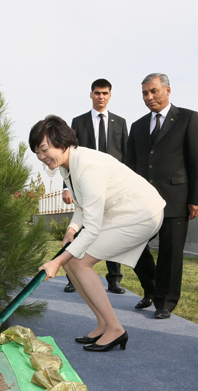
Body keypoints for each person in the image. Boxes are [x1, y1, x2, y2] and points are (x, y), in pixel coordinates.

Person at [30, 115, 165, 352]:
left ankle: (115, 329)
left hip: (140, 214)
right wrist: (71, 231)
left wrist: (56, 261)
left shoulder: (87, 166)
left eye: (44, 149)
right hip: (121, 213)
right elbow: (82, 206)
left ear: (61, 142)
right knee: (72, 263)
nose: (41, 157)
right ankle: (103, 323)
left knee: (79, 262)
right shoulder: (68, 166)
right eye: (37, 152)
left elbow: (92, 227)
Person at [125, 73, 198, 319]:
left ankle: (165, 302)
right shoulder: (137, 126)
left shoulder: (189, 118)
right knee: (132, 244)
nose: (149, 97)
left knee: (171, 251)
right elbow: (130, 166)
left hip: (176, 197)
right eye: (145, 93)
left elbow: (195, 161)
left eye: (154, 91)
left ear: (167, 90)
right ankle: (153, 288)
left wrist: (195, 197)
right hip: (143, 201)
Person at [61, 79, 128, 295]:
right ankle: (73, 276)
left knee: (113, 229)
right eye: (97, 93)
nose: (101, 96)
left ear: (110, 95)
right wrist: (66, 186)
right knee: (81, 227)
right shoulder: (78, 122)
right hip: (84, 184)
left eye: (105, 93)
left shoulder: (120, 122)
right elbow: (68, 155)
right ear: (91, 95)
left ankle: (114, 279)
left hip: (113, 185)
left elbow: (125, 156)